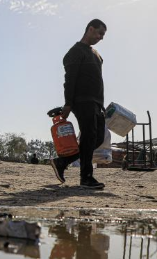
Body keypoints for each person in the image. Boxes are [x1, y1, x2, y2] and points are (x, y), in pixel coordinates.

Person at [51, 19, 107, 189]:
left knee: (97, 138)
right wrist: (68, 104)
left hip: (97, 102)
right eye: (100, 33)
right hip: (82, 101)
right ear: (90, 29)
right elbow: (69, 80)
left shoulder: (96, 54)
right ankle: (86, 177)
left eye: (103, 35)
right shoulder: (75, 52)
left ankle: (62, 162)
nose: (101, 37)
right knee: (89, 137)